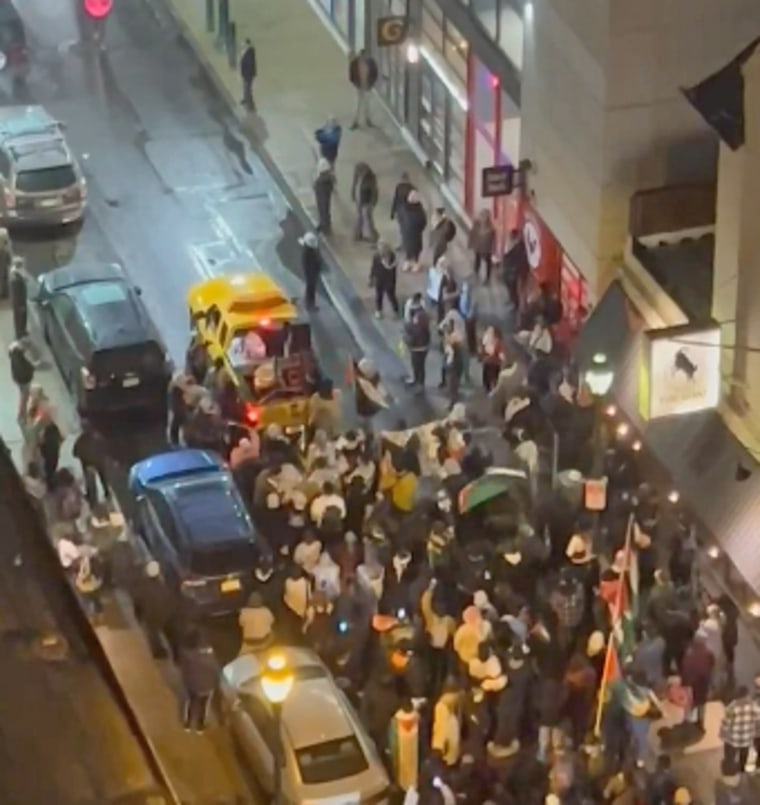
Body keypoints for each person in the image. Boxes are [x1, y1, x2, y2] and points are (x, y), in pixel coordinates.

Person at [131, 561, 180, 659]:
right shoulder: (164, 584)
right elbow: (173, 598)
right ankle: (176, 654)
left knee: (153, 635)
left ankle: (158, 653)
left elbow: (137, 603)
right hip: (167, 614)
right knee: (171, 635)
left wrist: (138, 616)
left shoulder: (141, 587)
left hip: (151, 616)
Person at [178, 628, 219, 734]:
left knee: (190, 703)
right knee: (204, 707)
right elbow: (216, 672)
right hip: (207, 687)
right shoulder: (212, 658)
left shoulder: (190, 656)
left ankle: (187, 724)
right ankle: (200, 726)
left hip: (192, 685)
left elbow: (184, 660)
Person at [73, 419, 111, 510]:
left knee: (90, 482)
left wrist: (81, 456)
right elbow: (104, 447)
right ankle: (107, 493)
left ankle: (92, 499)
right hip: (98, 462)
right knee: (103, 478)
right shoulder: (98, 436)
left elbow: (75, 451)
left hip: (88, 463)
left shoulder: (82, 439)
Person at [720, 686, 760, 772]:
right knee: (744, 753)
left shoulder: (732, 706)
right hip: (747, 737)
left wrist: (722, 735)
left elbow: (726, 723)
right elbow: (758, 720)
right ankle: (742, 769)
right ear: (747, 695)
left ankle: (729, 769)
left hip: (733, 738)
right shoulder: (753, 706)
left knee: (730, 755)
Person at [348, 48, 378, 128]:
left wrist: (371, 84)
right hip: (360, 87)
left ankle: (367, 120)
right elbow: (351, 76)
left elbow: (374, 73)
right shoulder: (354, 64)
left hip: (367, 87)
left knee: (366, 104)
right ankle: (356, 122)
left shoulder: (370, 63)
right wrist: (356, 85)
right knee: (358, 105)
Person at [370, 241, 400, 318]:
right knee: (379, 295)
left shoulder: (392, 257)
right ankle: (379, 310)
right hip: (379, 279)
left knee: (391, 296)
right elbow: (374, 268)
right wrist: (372, 278)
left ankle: (396, 310)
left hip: (389, 280)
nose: (381, 250)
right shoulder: (377, 256)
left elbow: (392, 269)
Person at [404, 306, 431, 391]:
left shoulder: (416, 327)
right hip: (423, 348)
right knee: (420, 366)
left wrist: (406, 339)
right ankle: (418, 382)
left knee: (417, 366)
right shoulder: (424, 326)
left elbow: (411, 338)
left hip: (416, 349)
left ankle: (419, 382)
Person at [351, 162, 379, 242]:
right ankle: (358, 234)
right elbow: (354, 186)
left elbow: (374, 192)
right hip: (360, 201)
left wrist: (373, 203)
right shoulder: (359, 178)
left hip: (367, 202)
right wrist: (353, 195)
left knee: (368, 219)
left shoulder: (370, 180)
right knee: (360, 218)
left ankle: (374, 236)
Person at [401, 191, 427, 272]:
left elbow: (423, 221)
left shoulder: (419, 209)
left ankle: (416, 262)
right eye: (411, 197)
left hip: (415, 233)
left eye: (413, 197)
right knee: (407, 247)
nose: (411, 199)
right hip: (407, 232)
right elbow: (402, 218)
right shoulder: (405, 207)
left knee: (415, 249)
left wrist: (419, 229)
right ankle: (408, 261)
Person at [8, 339, 35, 419]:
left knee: (23, 395)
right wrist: (32, 367)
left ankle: (22, 412)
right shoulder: (19, 357)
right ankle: (21, 414)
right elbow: (25, 368)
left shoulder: (14, 354)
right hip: (23, 380)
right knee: (24, 397)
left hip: (18, 378)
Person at [469, 209, 496, 283]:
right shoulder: (476, 224)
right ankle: (476, 273)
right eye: (481, 216)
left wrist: (493, 250)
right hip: (478, 246)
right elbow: (472, 233)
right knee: (477, 260)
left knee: (488, 263)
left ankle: (487, 278)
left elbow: (493, 240)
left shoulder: (491, 228)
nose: (482, 218)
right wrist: (471, 244)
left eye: (484, 216)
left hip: (487, 249)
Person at [299, 231, 323, 310]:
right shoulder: (308, 252)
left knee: (310, 287)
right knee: (311, 287)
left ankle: (308, 302)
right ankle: (310, 304)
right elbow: (312, 262)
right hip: (311, 272)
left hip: (310, 271)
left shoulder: (307, 250)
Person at [391, 172, 415, 246]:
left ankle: (404, 244)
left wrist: (392, 212)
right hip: (406, 212)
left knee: (403, 229)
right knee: (405, 229)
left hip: (402, 211)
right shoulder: (412, 188)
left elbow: (395, 199)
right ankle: (405, 243)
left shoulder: (400, 187)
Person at [479, 326, 504, 392]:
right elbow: (483, 349)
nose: (489, 333)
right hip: (488, 362)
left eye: (491, 332)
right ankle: (488, 388)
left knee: (495, 376)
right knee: (487, 375)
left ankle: (494, 388)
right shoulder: (486, 340)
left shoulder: (497, 342)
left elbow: (499, 352)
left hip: (495, 363)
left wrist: (502, 357)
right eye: (488, 331)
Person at [313, 158, 335, 234]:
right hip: (321, 194)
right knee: (322, 209)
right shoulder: (326, 177)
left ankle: (325, 226)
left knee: (324, 210)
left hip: (323, 194)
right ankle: (323, 224)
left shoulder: (325, 179)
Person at [9, 257, 28, 340]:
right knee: (19, 318)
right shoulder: (16, 276)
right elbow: (17, 293)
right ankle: (19, 334)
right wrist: (20, 305)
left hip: (21, 300)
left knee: (23, 317)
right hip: (19, 302)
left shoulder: (17, 273)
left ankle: (22, 331)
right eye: (21, 264)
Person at [239, 38, 257, 109]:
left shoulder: (249, 52)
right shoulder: (247, 51)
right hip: (246, 73)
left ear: (247, 44)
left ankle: (249, 103)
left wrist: (246, 74)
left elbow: (249, 64)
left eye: (244, 43)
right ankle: (246, 100)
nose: (242, 45)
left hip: (248, 74)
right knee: (245, 87)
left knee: (247, 88)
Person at [0, 227, 12, 298]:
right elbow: (7, 243)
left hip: (2, 252)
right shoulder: (4, 231)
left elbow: (7, 243)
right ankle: (2, 292)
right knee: (2, 274)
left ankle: (2, 292)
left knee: (2, 274)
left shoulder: (4, 231)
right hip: (3, 252)